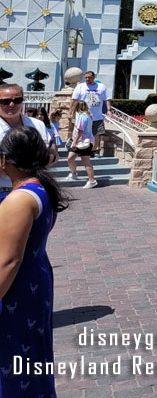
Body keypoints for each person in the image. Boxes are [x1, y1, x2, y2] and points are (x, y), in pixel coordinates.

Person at [0, 123, 70, 397]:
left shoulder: (20, 199)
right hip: (34, 282)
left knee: (13, 360)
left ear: (5, 159)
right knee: (29, 357)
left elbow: (8, 261)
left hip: (16, 289)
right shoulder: (40, 188)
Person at [0, 84, 50, 193]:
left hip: (34, 187)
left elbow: (52, 156)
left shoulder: (38, 125)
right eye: (5, 101)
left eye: (17, 100)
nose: (12, 104)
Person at [71, 70, 109, 156]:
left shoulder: (101, 86)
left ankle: (94, 150)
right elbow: (74, 100)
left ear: (94, 77)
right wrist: (71, 112)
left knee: (97, 133)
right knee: (80, 132)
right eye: (86, 77)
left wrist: (109, 110)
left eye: (89, 77)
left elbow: (107, 99)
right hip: (83, 116)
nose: (87, 79)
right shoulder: (80, 87)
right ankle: (80, 148)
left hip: (97, 116)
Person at [67, 99, 99, 188]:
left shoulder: (82, 117)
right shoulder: (88, 116)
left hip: (82, 142)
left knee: (86, 162)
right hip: (85, 141)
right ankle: (74, 173)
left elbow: (80, 131)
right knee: (70, 158)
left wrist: (74, 142)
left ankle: (92, 180)